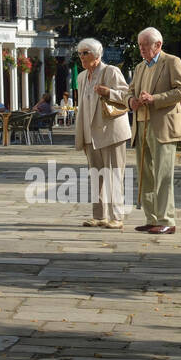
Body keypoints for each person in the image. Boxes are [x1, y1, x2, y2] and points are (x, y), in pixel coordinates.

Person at [118, 27, 181, 234]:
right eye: (139, 45)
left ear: (158, 45)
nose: (141, 49)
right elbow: (129, 91)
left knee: (163, 175)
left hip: (163, 127)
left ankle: (167, 219)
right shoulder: (140, 67)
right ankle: (152, 218)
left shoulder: (172, 62)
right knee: (145, 175)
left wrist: (155, 99)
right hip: (141, 125)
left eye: (145, 45)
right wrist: (130, 100)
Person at [73, 39, 131, 229]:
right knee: (96, 176)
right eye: (80, 53)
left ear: (97, 55)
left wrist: (108, 93)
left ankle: (117, 217)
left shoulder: (111, 71)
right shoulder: (82, 77)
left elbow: (126, 97)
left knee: (114, 175)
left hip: (111, 132)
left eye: (85, 53)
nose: (81, 57)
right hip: (90, 134)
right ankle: (99, 216)